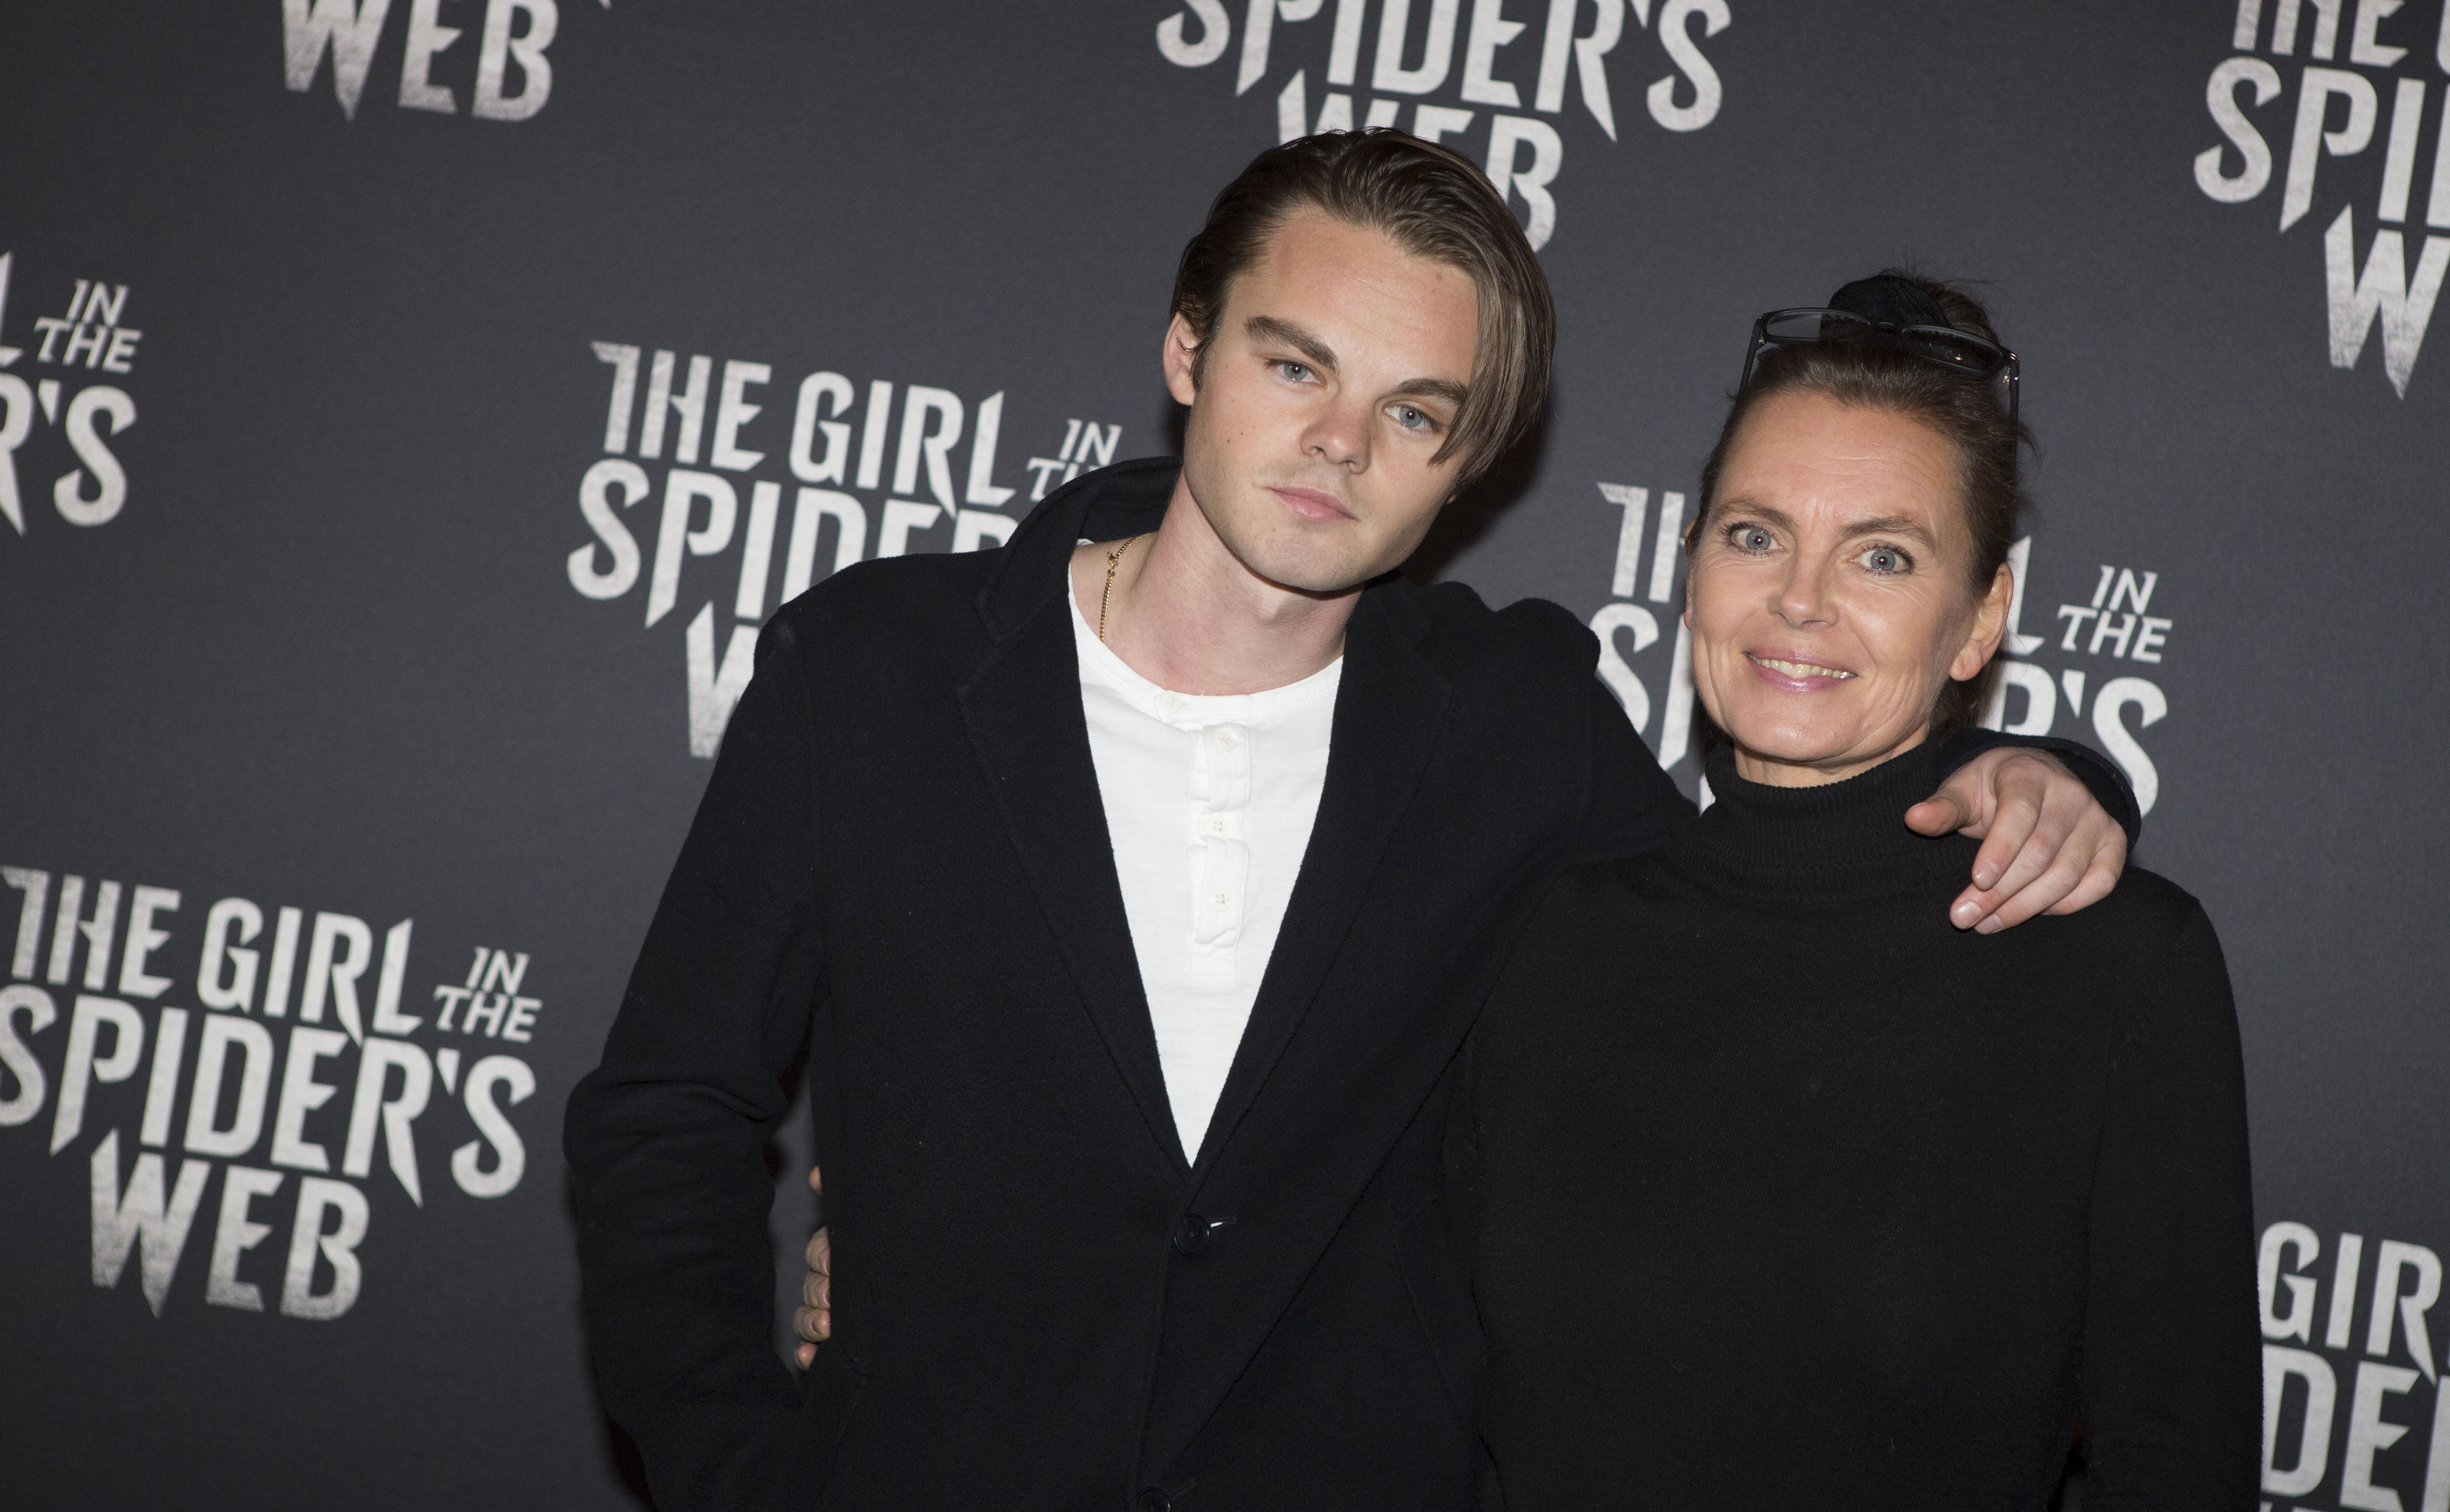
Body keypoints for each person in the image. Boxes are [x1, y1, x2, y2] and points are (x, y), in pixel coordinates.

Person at [565, 136, 2137, 1512]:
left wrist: (2053, 774)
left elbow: (1768, 905)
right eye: (1295, 366)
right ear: (1189, 349)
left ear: (1466, 466)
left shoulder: (1515, 726)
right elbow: (664, 1113)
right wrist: (749, 1476)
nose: (1340, 443)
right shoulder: (878, 673)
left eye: (1414, 411)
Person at [1448, 275, 2257, 1509]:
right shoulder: (1543, 925)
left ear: (1981, 618)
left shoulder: (2115, 967)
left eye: (1882, 556)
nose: (1801, 598)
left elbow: (2177, 1464)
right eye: (1755, 535)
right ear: (1689, 561)